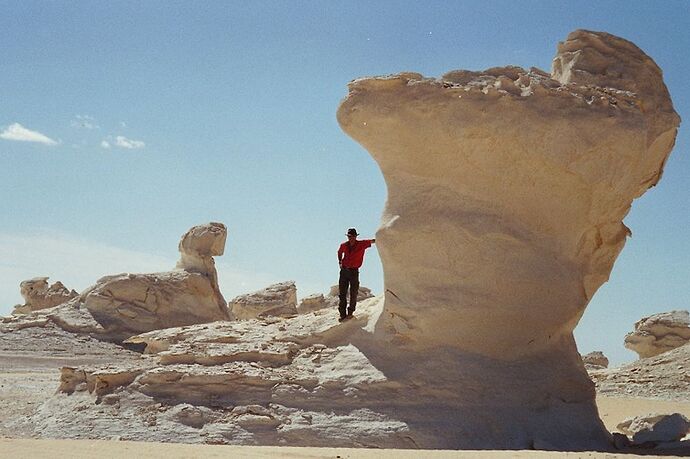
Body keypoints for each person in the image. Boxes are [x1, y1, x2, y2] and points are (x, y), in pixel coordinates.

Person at [337, 228, 375, 321]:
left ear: (356, 236)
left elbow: (373, 241)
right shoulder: (344, 245)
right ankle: (342, 314)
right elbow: (339, 252)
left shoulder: (361, 244)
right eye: (349, 236)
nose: (351, 238)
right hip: (344, 271)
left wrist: (382, 236)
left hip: (354, 271)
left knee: (354, 292)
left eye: (353, 236)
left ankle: (350, 312)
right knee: (342, 293)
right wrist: (340, 262)